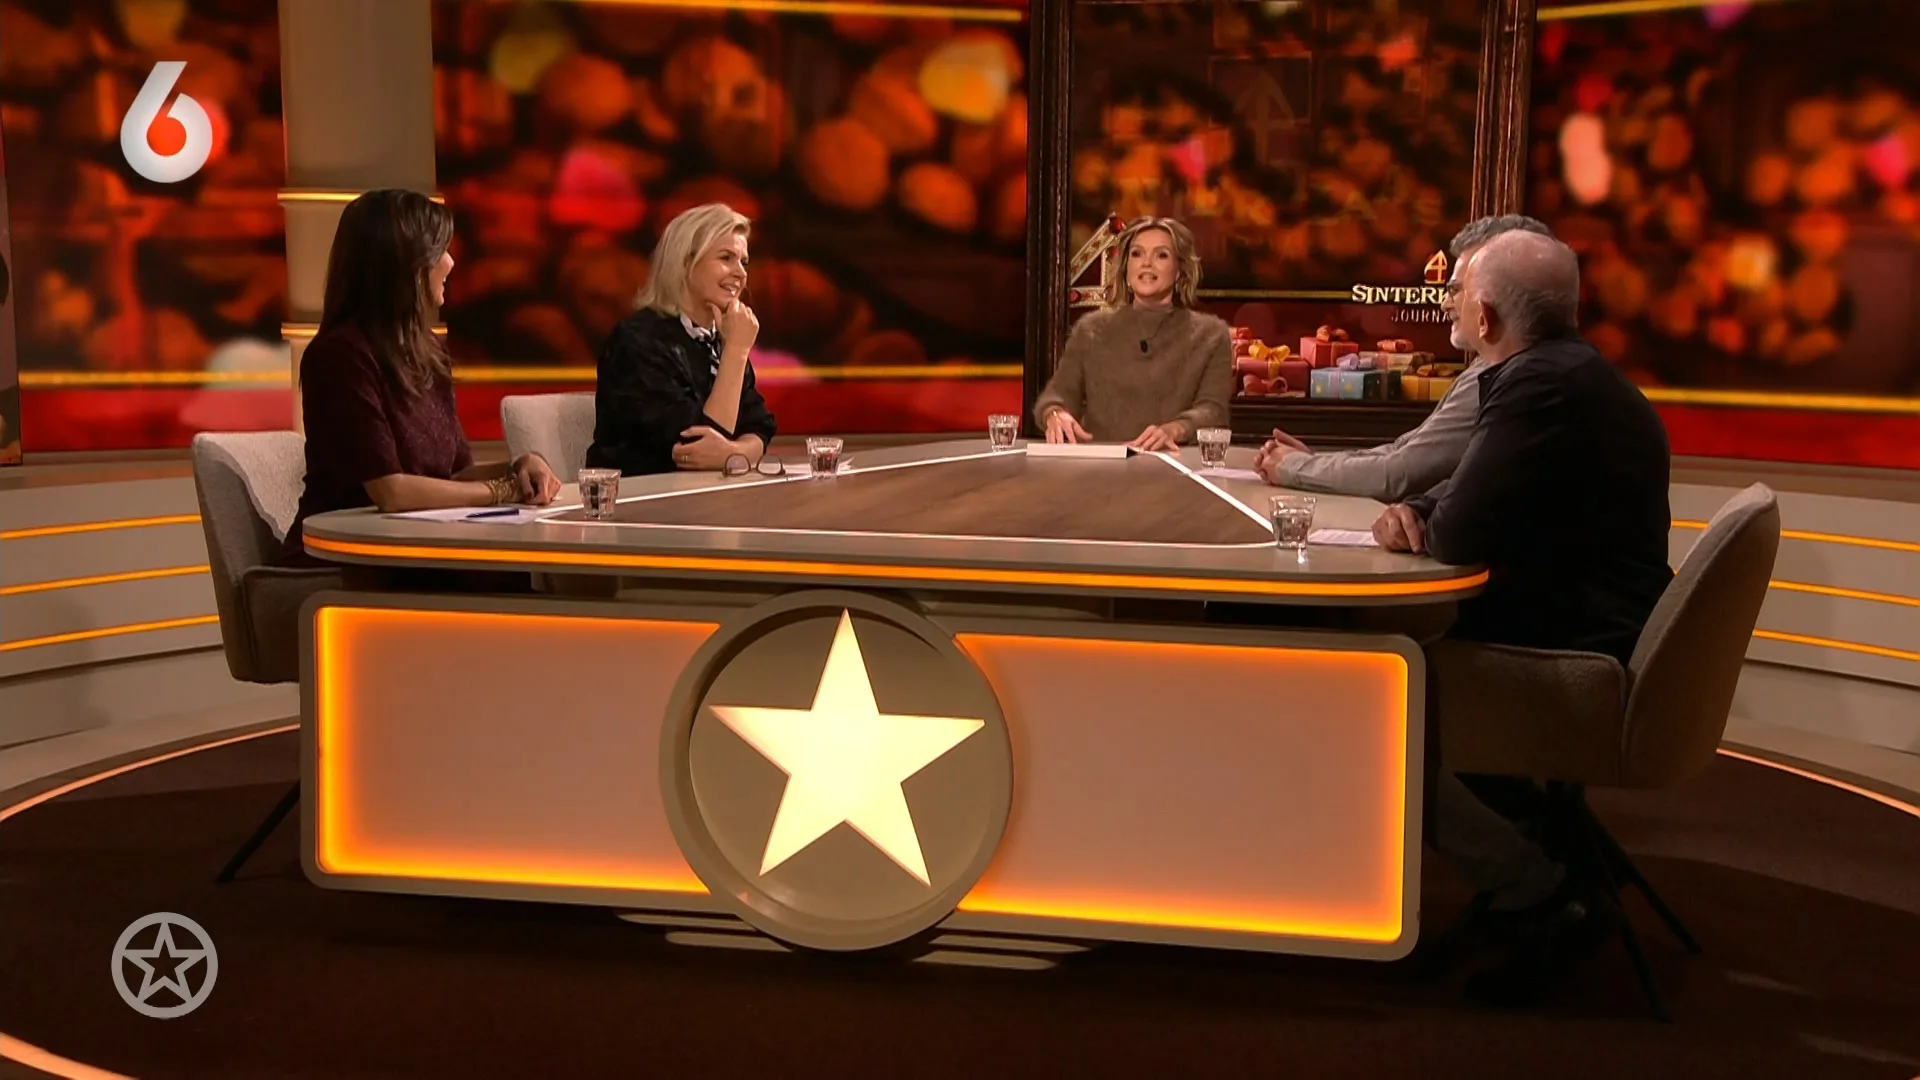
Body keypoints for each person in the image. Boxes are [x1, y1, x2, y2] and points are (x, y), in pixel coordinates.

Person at [1371, 230, 1675, 1004]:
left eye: (1457, 292)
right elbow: (1468, 496)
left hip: (1579, 644)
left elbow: (1459, 530)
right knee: (1389, 659)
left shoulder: (1537, 385)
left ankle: (1540, 890)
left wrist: (1420, 518)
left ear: (1484, 314)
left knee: (1371, 692)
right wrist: (1422, 510)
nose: (1448, 302)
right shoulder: (1567, 372)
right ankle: (1543, 854)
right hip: (1590, 619)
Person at [282, 189, 560, 566]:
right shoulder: (339, 356)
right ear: (404, 266)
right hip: (347, 562)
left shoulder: (425, 348)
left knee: (542, 573)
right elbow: (391, 492)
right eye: (438, 252)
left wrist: (519, 465)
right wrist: (502, 490)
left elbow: (455, 474)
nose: (450, 262)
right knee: (526, 577)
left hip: (417, 550)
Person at [1253, 215, 1555, 501]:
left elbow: (1398, 475)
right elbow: (1402, 451)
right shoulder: (1492, 363)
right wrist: (1312, 463)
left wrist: (1293, 467)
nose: (1445, 303)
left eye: (1457, 289)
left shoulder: (1511, 371)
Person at [585, 203, 777, 476]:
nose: (741, 273)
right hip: (639, 497)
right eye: (726, 258)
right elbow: (697, 448)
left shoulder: (719, 339)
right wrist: (736, 351)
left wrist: (734, 454)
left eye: (743, 262)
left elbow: (758, 429)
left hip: (705, 493)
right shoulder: (637, 341)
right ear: (685, 264)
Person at [1032, 216, 1233, 451]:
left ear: (1179, 270)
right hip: (1102, 464)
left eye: (1161, 255)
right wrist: (1055, 414)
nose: (1147, 263)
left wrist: (1175, 429)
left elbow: (1214, 411)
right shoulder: (1090, 331)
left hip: (1169, 462)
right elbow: (1056, 396)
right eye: (1137, 254)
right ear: (1126, 268)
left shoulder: (1211, 335)